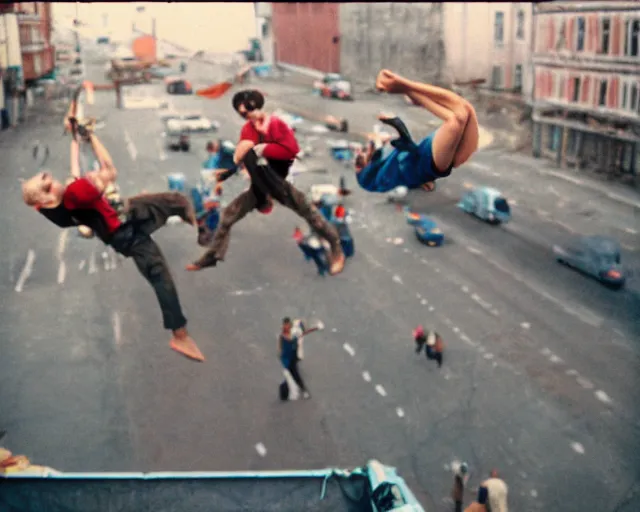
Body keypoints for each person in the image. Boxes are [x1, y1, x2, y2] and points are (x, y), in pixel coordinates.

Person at [21, 118, 205, 362]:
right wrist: (94, 138)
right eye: (50, 183)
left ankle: (184, 215)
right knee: (159, 275)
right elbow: (109, 169)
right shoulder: (76, 193)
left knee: (172, 200)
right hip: (124, 231)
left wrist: (77, 136)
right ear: (46, 198)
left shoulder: (53, 210)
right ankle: (179, 334)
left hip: (120, 218)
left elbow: (72, 172)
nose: (56, 181)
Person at [186, 89, 345, 275]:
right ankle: (212, 257)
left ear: (257, 106)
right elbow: (242, 156)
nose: (247, 115)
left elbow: (291, 149)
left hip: (279, 181)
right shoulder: (247, 130)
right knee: (228, 215)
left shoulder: (276, 124)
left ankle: (336, 249)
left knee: (311, 213)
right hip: (259, 184)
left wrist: (264, 147)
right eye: (243, 114)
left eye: (249, 110)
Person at [354, 69, 479, 194]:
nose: (366, 151)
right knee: (458, 116)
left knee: (464, 111)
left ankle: (408, 91)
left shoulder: (383, 165)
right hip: (426, 162)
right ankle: (408, 90)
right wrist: (406, 87)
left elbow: (461, 110)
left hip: (431, 160)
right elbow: (457, 116)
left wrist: (407, 89)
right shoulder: (380, 174)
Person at [278, 317, 310, 399]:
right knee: (293, 374)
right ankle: (303, 390)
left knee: (293, 374)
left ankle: (287, 391)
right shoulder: (283, 334)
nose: (286, 326)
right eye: (285, 325)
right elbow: (281, 344)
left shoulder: (294, 332)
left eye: (287, 324)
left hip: (293, 356)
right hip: (287, 358)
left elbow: (296, 340)